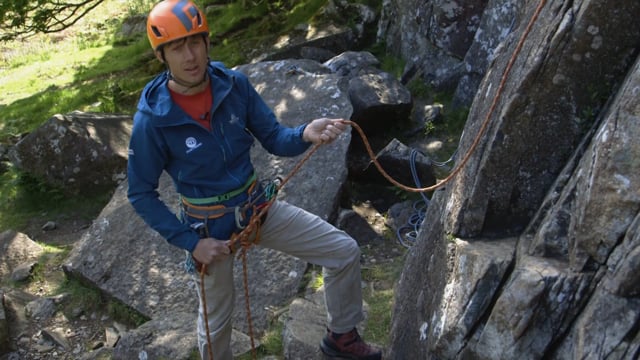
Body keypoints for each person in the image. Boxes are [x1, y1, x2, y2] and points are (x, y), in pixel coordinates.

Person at [127, 1, 382, 359]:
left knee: (342, 251)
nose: (190, 55)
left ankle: (341, 339)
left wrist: (305, 132)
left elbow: (274, 136)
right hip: (208, 231)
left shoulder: (234, 86)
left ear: (206, 42)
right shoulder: (153, 119)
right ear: (162, 56)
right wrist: (191, 243)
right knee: (216, 328)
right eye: (176, 47)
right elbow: (140, 193)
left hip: (257, 208)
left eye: (195, 42)